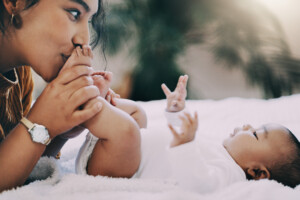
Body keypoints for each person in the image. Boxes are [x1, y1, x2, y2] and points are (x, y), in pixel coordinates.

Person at [76, 71, 300, 193]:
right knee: (139, 115)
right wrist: (176, 110)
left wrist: (185, 147)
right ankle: (104, 104)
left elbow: (198, 184)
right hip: (118, 150)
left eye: (255, 134)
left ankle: (86, 102)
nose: (246, 126)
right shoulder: (220, 149)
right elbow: (179, 132)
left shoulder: (229, 175)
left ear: (258, 173)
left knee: (128, 131)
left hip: (113, 166)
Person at [0, 0, 131, 192]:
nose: (84, 39)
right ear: (14, 2)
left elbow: (15, 165)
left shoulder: (21, 76)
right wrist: (40, 121)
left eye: (89, 20)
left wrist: (60, 129)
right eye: (74, 13)